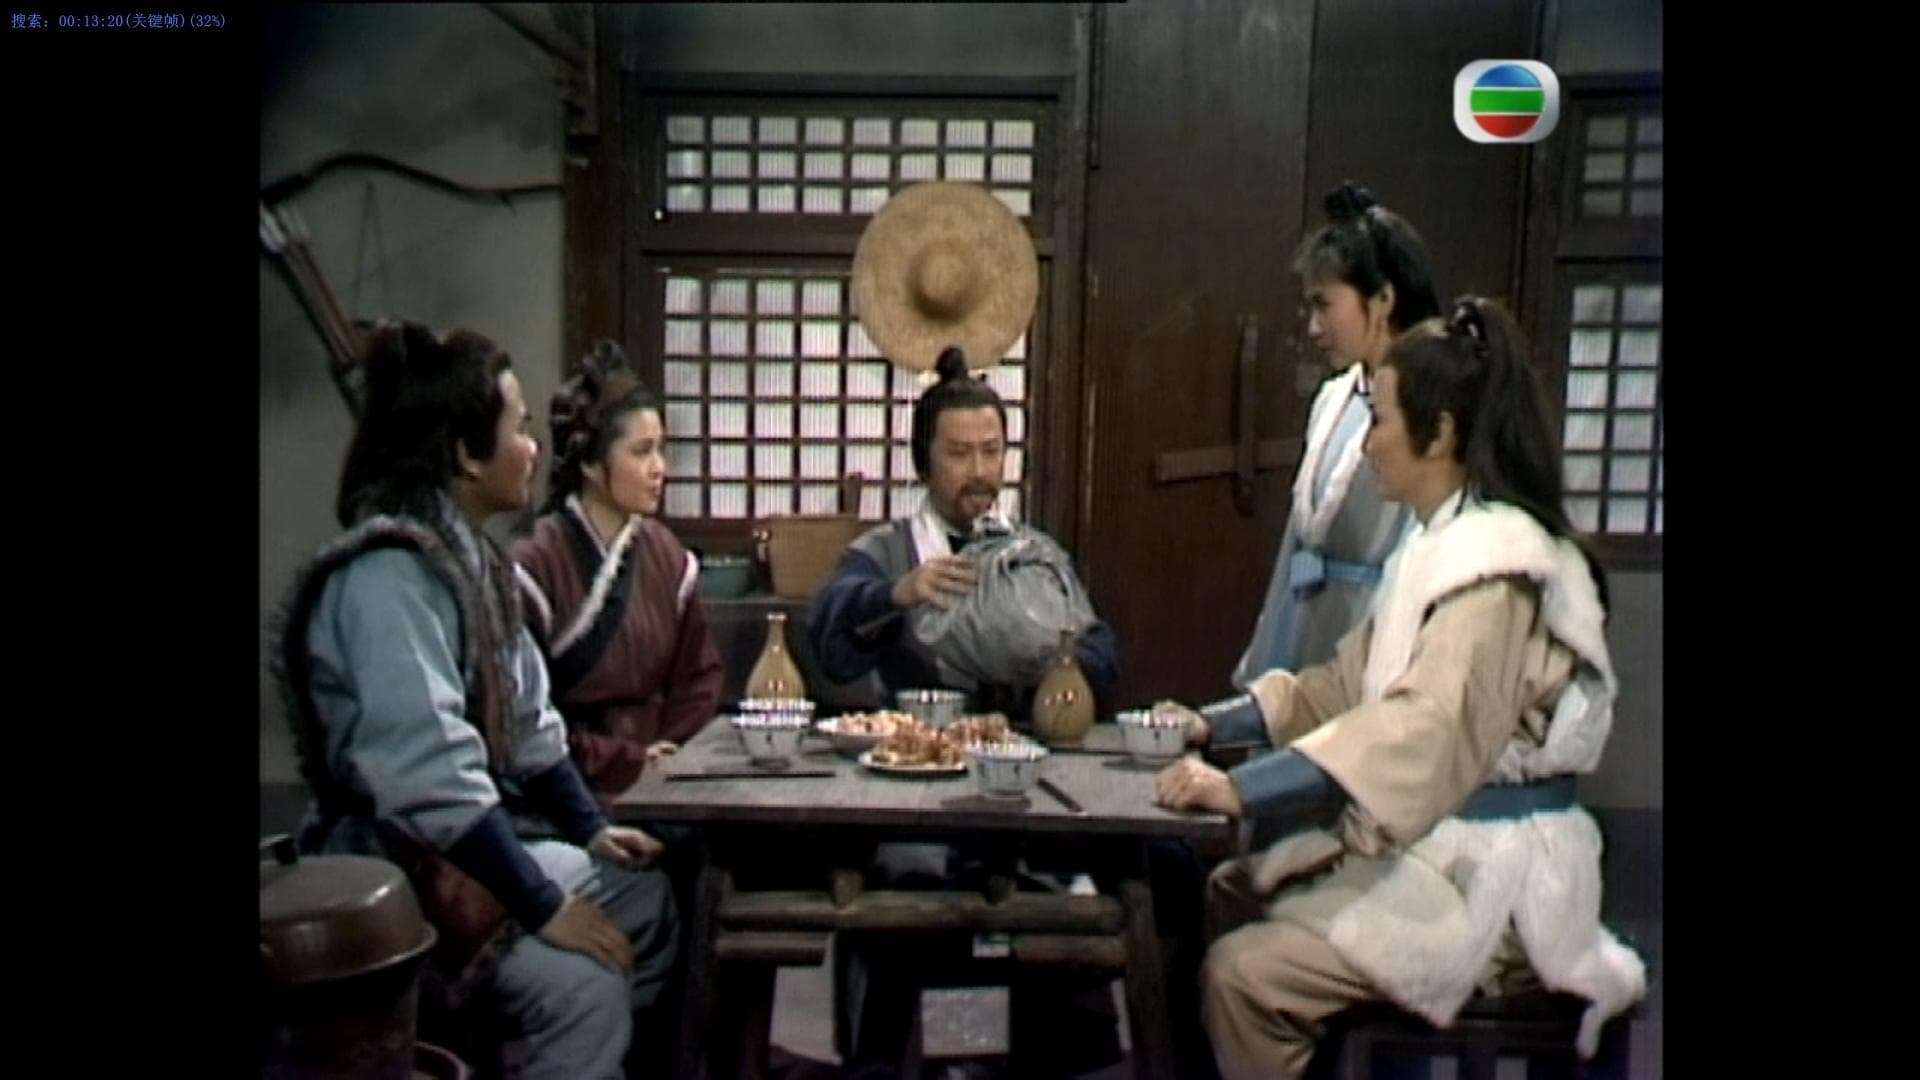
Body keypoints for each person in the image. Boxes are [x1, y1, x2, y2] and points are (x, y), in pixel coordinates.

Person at [1155, 298, 1646, 1079]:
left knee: (1243, 976)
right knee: (1231, 889)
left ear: (1440, 432)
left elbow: (1424, 725)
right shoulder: (1438, 545)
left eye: (1380, 421)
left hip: (1495, 887)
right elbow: (1343, 685)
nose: (1369, 443)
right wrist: (1210, 726)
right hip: (1438, 855)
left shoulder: (1496, 565)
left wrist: (1243, 790)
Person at [269, 319, 681, 1080]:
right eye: (519, 428)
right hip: (395, 867)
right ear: (465, 452)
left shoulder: (471, 561)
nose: (533, 447)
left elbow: (529, 722)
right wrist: (545, 907)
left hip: (460, 848)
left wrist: (590, 829)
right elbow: (431, 781)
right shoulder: (388, 577)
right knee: (586, 987)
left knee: (643, 892)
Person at [808, 346, 1119, 725]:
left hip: (1020, 743)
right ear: (923, 463)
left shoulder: (1033, 555)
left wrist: (1055, 657)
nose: (979, 471)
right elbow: (830, 636)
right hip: (916, 743)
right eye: (959, 454)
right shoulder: (885, 550)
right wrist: (896, 593)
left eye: (991, 452)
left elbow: (1101, 654)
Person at [1232, 182, 1443, 692]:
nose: (1313, 327)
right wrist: (1264, 667)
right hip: (1306, 626)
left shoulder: (1430, 404)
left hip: (1378, 633)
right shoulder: (1334, 398)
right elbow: (1295, 543)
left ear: (1382, 300)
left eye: (1324, 305)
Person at [512, 339, 724, 800]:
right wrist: (625, 760)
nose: (659, 468)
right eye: (642, 452)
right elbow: (523, 711)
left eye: (661, 450)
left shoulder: (668, 556)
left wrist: (668, 751)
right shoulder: (535, 563)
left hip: (664, 777)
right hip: (566, 783)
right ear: (591, 462)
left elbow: (700, 677)